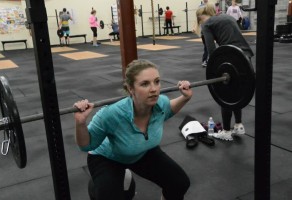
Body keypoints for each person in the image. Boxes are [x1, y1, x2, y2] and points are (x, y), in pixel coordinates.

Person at [74, 59, 191, 200]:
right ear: (131, 89)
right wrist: (80, 123)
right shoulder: (111, 114)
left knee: (179, 183)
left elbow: (170, 109)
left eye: (157, 81)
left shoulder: (161, 104)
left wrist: (185, 98)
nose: (154, 89)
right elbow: (86, 145)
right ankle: (97, 185)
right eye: (145, 84)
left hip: (140, 153)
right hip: (107, 158)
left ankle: (121, 174)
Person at [195, 4, 254, 141]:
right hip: (245, 56)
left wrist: (213, 69)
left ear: (200, 17)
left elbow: (211, 51)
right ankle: (239, 125)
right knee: (237, 92)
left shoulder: (207, 24)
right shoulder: (227, 17)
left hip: (230, 57)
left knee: (225, 93)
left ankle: (226, 131)